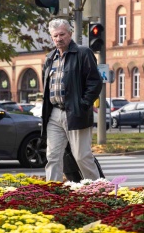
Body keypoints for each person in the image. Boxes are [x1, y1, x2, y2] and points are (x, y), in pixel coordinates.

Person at [41, 18, 102, 182]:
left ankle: (98, 190)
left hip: (76, 112)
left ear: (70, 33)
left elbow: (95, 82)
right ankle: (52, 192)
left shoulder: (83, 53)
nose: (59, 38)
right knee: (52, 156)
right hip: (54, 113)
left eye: (62, 34)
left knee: (82, 156)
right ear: (51, 37)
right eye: (55, 36)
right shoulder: (50, 58)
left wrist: (83, 104)